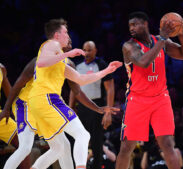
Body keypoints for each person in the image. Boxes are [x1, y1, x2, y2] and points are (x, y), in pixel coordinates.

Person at [0, 40, 120, 169]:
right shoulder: (41, 60)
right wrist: (7, 108)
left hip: (45, 106)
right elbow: (18, 83)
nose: (69, 45)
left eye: (70, 43)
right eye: (65, 42)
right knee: (25, 147)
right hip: (25, 104)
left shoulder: (69, 64)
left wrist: (97, 108)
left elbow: (78, 91)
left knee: (62, 147)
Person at [24, 18, 122, 169]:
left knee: (59, 148)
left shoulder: (59, 62)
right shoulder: (52, 44)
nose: (68, 36)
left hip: (38, 103)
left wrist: (107, 70)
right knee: (83, 135)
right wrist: (68, 53)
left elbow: (81, 79)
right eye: (66, 32)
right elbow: (41, 62)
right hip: (47, 99)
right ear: (57, 35)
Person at [116, 12, 183, 169]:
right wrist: (163, 39)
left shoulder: (160, 40)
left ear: (145, 24)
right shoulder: (129, 46)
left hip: (160, 99)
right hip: (137, 100)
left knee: (167, 145)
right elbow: (143, 62)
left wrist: (181, 34)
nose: (131, 28)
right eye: (130, 25)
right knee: (126, 147)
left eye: (135, 24)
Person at [69, 41, 115, 169]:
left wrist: (108, 113)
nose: (87, 53)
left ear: (95, 51)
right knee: (78, 140)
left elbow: (110, 89)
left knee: (96, 142)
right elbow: (74, 89)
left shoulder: (101, 65)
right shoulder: (77, 67)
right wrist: (70, 107)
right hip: (81, 108)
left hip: (97, 107)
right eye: (84, 50)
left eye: (89, 50)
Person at [0, 63, 31, 169]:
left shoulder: (1, 69)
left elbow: (10, 95)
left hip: (1, 117)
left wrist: (7, 110)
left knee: (25, 143)